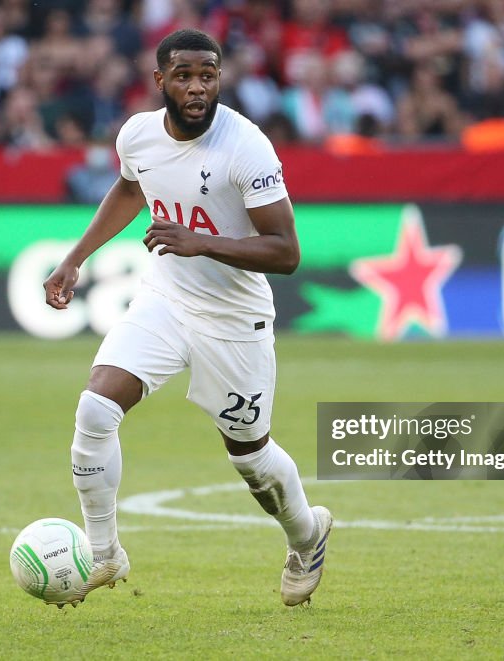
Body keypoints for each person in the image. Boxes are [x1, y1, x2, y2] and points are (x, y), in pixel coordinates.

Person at [43, 28, 332, 608]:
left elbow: (287, 252)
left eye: (208, 75)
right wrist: (76, 257)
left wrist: (202, 241)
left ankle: (307, 536)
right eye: (184, 75)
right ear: (160, 81)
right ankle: (104, 555)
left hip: (234, 317)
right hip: (167, 298)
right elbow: (129, 190)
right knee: (95, 408)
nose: (198, 87)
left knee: (249, 456)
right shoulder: (138, 135)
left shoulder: (246, 147)